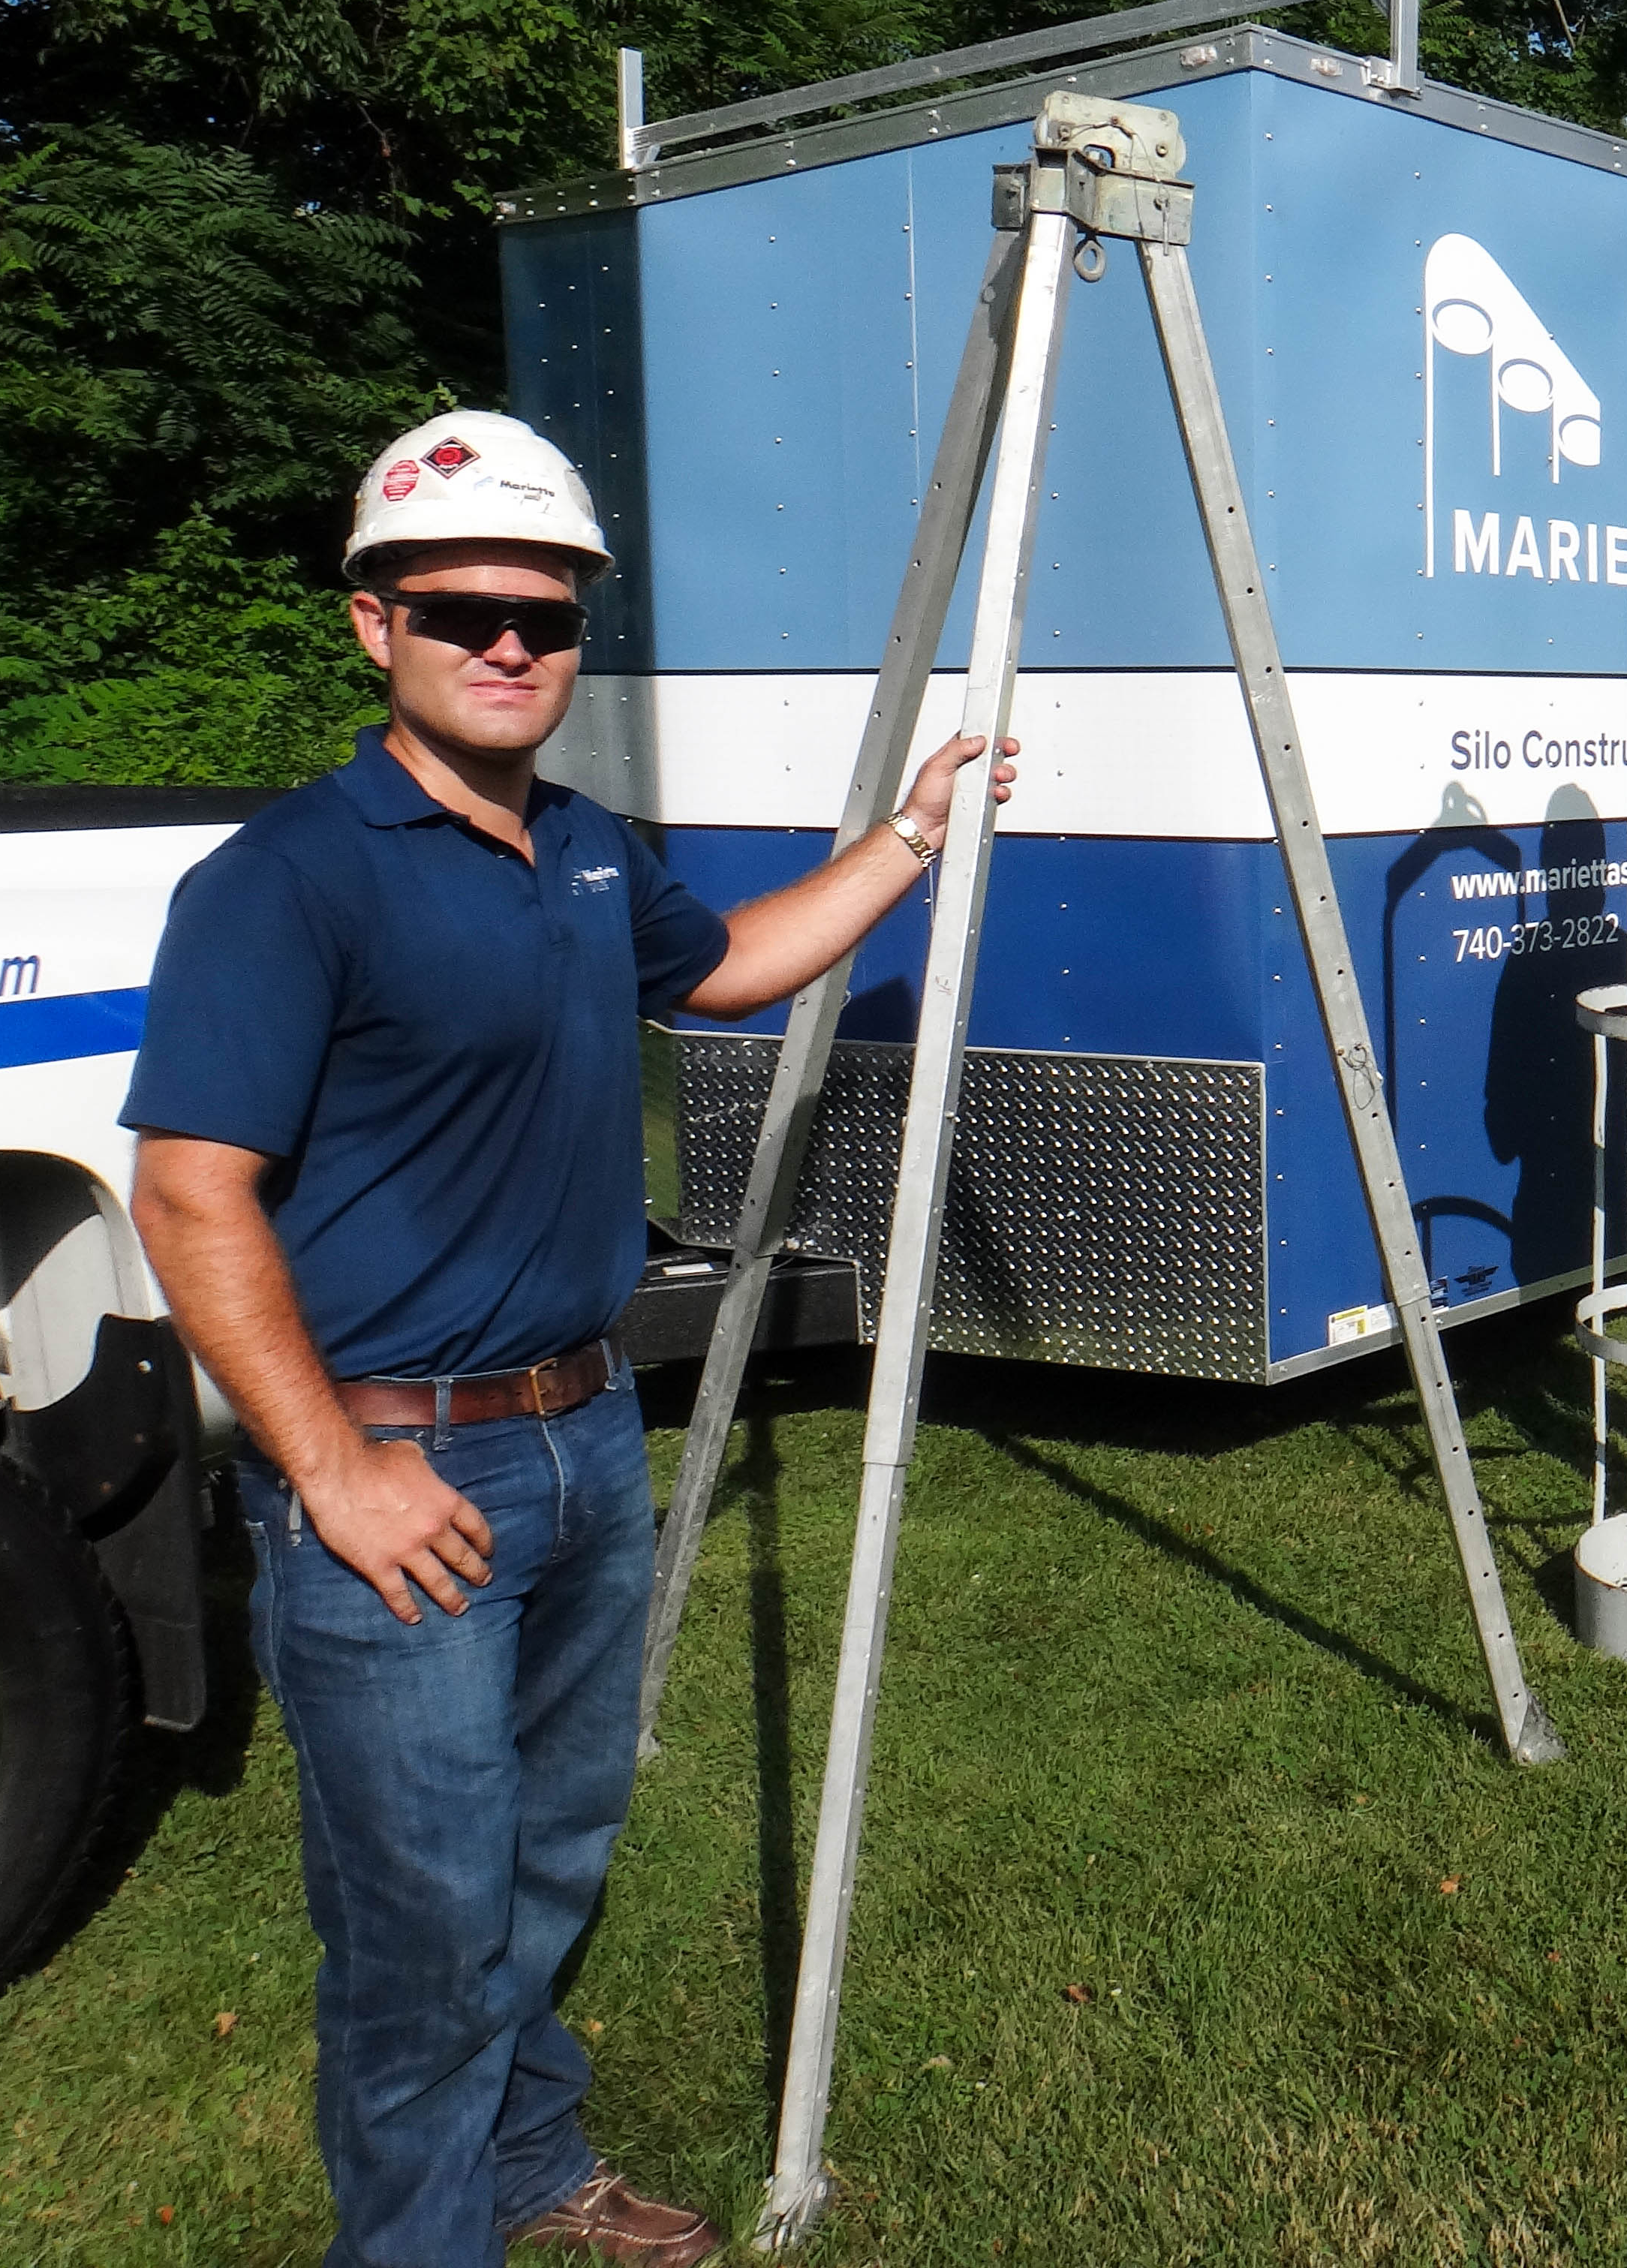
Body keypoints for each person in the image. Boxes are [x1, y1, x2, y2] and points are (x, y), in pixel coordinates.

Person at [122, 410, 1016, 2268]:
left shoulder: (589, 848)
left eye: (547, 614)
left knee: (545, 1864)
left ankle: (532, 2162)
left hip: (588, 1438)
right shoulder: (286, 880)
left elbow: (731, 966)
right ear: (374, 623)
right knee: (423, 1918)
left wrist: (914, 836)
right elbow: (192, 1194)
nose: (511, 644)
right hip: (400, 1475)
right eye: (460, 611)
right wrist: (333, 1468)